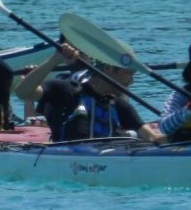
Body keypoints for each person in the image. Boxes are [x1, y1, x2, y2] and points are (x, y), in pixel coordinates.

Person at [15, 42, 163, 142]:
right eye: (129, 74)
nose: (131, 81)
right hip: (66, 161)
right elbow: (22, 93)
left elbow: (153, 138)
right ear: (108, 70)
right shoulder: (66, 90)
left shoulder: (119, 106)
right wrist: (54, 60)